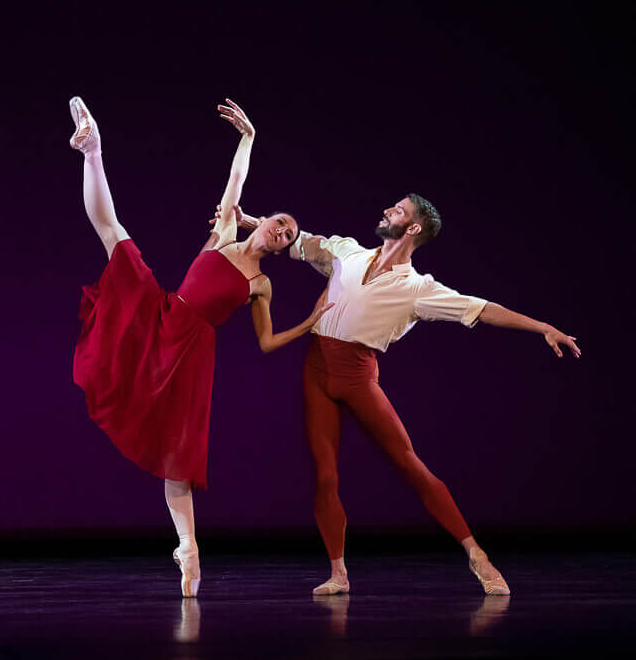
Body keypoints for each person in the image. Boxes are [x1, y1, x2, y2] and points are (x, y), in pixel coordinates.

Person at [218, 196, 580, 597]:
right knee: (325, 474)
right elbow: (295, 241)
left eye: (399, 211)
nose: (389, 210)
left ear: (413, 229)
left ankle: (477, 554)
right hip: (316, 370)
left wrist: (542, 326)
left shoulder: (417, 289)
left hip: (357, 375)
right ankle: (338, 572)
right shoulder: (347, 251)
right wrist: (251, 221)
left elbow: (483, 309)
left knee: (409, 464)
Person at [69, 96, 332, 598]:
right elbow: (235, 181)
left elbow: (266, 342)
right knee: (115, 235)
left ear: (283, 247)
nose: (282, 231)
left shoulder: (261, 284)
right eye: (281, 221)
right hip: (165, 313)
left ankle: (189, 553)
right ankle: (93, 152)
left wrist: (310, 323)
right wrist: (248, 138)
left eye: (290, 235)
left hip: (193, 356)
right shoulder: (226, 231)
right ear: (266, 220)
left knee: (178, 457)